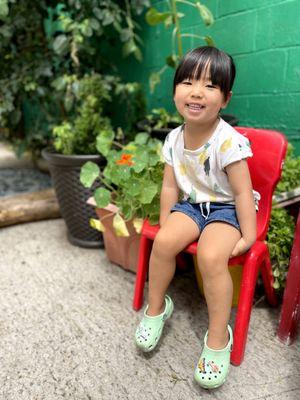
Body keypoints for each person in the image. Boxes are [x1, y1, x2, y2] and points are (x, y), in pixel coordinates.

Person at [134, 46, 259, 389]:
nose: (196, 92)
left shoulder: (228, 142)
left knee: (210, 255)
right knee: (163, 243)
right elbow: (171, 187)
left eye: (209, 86)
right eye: (188, 82)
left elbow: (243, 193)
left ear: (225, 99)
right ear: (175, 90)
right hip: (192, 206)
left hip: (227, 209)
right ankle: (157, 308)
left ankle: (219, 336)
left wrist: (248, 236)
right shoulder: (174, 138)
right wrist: (166, 219)